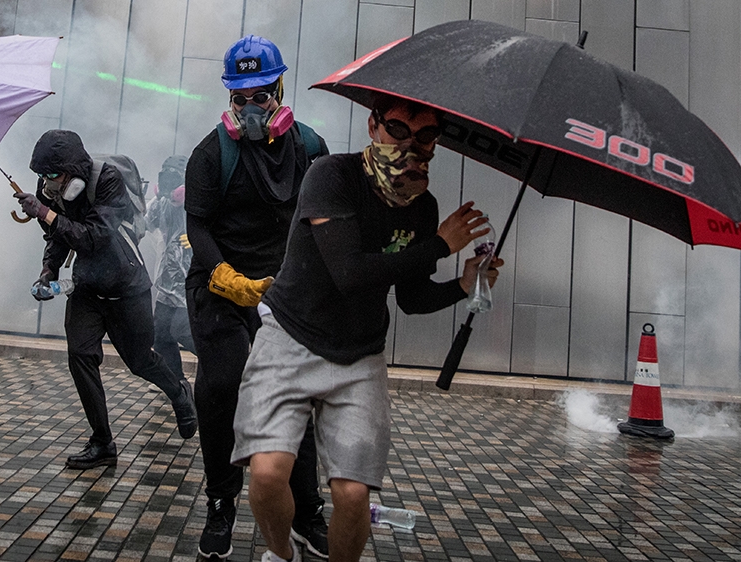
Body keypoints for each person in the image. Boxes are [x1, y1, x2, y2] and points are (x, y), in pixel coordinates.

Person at [232, 95, 504, 562]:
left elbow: (413, 299)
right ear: (374, 126)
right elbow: (350, 272)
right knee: (268, 473)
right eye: (398, 130)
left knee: (354, 492)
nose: (411, 144)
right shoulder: (331, 176)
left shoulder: (422, 207)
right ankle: (281, 554)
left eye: (425, 135)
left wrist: (463, 285)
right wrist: (440, 245)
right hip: (291, 335)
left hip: (359, 353)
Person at [184, 35, 331, 559]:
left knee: (295, 392)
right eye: (240, 98)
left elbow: (321, 222)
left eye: (261, 96)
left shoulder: (310, 149)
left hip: (283, 288)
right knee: (222, 384)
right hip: (219, 283)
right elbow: (197, 225)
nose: (250, 108)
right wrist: (224, 275)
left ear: (280, 92)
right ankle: (220, 502)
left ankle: (307, 511)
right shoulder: (211, 154)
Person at [14, 129, 198, 470]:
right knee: (80, 356)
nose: (47, 182)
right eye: (42, 176)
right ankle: (102, 442)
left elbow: (94, 236)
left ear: (72, 169)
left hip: (126, 287)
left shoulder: (107, 180)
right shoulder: (51, 190)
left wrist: (44, 213)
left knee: (140, 361)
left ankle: (178, 391)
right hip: (86, 286)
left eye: (52, 174)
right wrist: (48, 271)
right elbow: (59, 236)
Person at [145, 155, 196, 379]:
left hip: (192, 283)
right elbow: (146, 223)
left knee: (184, 331)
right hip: (167, 282)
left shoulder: (200, 203)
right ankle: (177, 385)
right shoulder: (163, 203)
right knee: (161, 334)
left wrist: (199, 239)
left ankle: (223, 364)